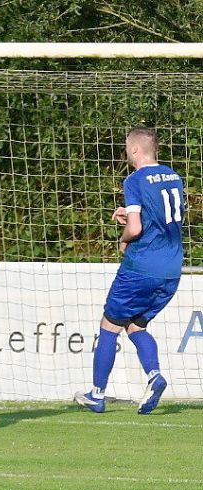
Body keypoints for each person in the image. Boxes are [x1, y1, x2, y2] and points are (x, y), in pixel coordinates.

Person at [74, 127, 183, 415]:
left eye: (126, 148)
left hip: (141, 267)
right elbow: (160, 217)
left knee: (109, 326)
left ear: (135, 150)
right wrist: (130, 214)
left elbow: (135, 229)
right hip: (171, 270)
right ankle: (154, 376)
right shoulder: (174, 176)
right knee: (136, 325)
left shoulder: (134, 180)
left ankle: (96, 394)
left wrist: (123, 239)